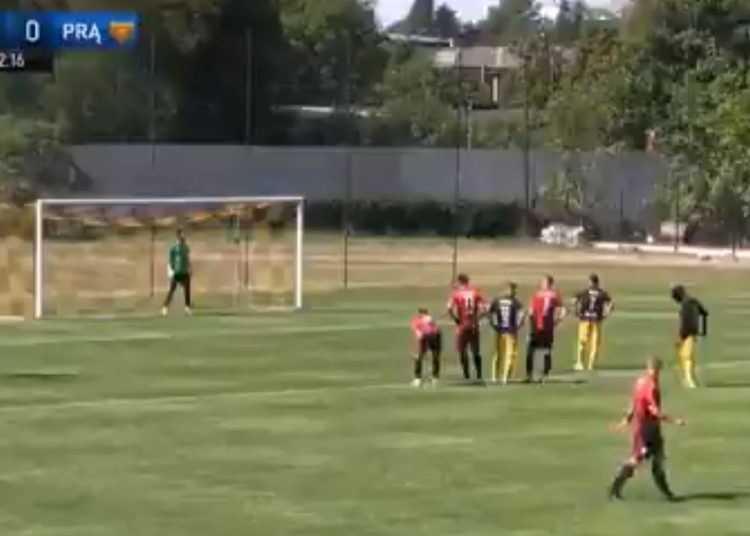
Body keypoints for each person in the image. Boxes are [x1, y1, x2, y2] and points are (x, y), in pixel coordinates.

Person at [608, 356, 685, 501]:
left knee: (658, 459)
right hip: (646, 429)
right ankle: (614, 489)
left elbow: (633, 402)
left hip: (647, 427)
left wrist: (627, 419)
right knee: (637, 459)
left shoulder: (639, 382)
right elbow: (654, 411)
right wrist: (674, 420)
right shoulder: (652, 387)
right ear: (657, 369)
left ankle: (667, 493)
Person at [525, 275, 565, 383]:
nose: (543, 284)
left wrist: (558, 320)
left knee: (535, 350)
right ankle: (543, 374)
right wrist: (558, 320)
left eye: (544, 282)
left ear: (549, 283)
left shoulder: (542, 294)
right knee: (544, 350)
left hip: (539, 325)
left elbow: (530, 311)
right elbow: (562, 309)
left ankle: (533, 374)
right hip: (543, 326)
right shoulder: (552, 295)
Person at [446, 273, 485, 382]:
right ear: (467, 281)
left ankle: (467, 375)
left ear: (459, 281)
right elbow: (485, 309)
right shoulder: (475, 292)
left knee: (463, 352)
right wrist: (477, 319)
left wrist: (456, 319)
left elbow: (449, 308)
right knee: (476, 351)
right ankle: (479, 375)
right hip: (474, 326)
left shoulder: (457, 294)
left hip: (462, 326)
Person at [572, 273, 614, 372]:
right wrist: (605, 314)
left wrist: (576, 312)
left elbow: (573, 301)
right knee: (594, 344)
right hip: (596, 320)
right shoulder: (602, 293)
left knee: (582, 342)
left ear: (590, 282)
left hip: (585, 319)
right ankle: (591, 365)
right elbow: (611, 305)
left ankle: (580, 363)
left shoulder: (584, 292)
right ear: (597, 282)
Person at [488, 282, 526, 385]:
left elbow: (489, 312)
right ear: (509, 289)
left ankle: (494, 377)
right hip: (511, 332)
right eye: (513, 289)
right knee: (511, 355)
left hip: (499, 331)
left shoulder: (497, 300)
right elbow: (522, 312)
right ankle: (505, 378)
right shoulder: (514, 301)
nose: (515, 292)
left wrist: (493, 324)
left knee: (498, 354)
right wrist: (519, 324)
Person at [671, 284, 708, 389]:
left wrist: (681, 337)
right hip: (693, 332)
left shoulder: (685, 305)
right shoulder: (694, 301)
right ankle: (688, 379)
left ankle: (689, 380)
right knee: (686, 356)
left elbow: (685, 322)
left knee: (686, 357)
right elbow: (704, 313)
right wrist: (703, 329)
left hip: (687, 333)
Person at [162, 228, 192, 316]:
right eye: (182, 234)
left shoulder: (185, 246)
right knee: (171, 290)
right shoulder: (173, 247)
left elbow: (188, 258)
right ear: (178, 235)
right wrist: (170, 271)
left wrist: (190, 268)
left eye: (184, 234)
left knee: (187, 290)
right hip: (176, 272)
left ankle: (187, 308)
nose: (184, 236)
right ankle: (165, 308)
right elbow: (170, 260)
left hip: (184, 271)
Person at [410, 308, 442, 387]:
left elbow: (416, 329)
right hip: (434, 336)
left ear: (419, 314)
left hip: (426, 336)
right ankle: (435, 378)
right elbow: (436, 329)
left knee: (419, 356)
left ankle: (418, 379)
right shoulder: (430, 318)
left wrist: (419, 334)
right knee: (435, 356)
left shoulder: (417, 320)